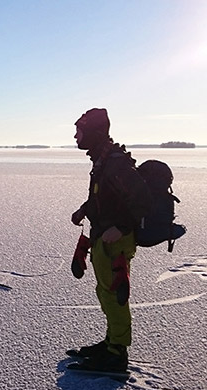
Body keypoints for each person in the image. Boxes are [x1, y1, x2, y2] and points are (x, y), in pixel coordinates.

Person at [69, 108, 150, 373]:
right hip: (103, 238)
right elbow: (103, 197)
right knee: (105, 291)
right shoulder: (103, 160)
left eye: (79, 131)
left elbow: (142, 200)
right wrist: (84, 210)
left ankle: (117, 353)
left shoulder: (115, 162)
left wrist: (122, 226)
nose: (75, 136)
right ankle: (111, 342)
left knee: (115, 294)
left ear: (93, 133)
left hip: (115, 241)